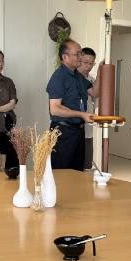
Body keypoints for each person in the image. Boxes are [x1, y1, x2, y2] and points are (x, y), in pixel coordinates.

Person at [46, 40, 100, 171]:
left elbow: (94, 92)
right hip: (63, 131)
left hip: (78, 131)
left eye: (81, 53)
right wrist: (81, 114)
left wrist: (100, 72)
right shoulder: (58, 77)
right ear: (65, 57)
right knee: (61, 172)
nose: (81, 57)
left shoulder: (78, 76)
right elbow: (55, 109)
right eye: (77, 54)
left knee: (77, 172)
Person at [77, 47, 98, 170]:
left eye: (91, 63)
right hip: (72, 129)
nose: (88, 66)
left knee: (86, 165)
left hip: (88, 130)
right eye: (86, 62)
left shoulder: (93, 83)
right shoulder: (72, 80)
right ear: (79, 60)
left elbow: (94, 107)